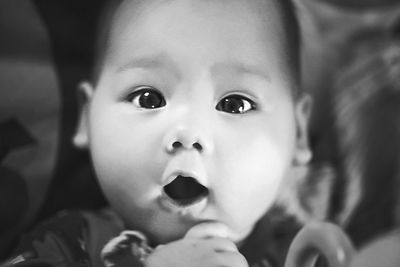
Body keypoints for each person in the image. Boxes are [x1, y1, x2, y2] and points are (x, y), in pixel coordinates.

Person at [2, 0, 313, 266]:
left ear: (299, 132)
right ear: (87, 116)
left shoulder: (304, 248)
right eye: (148, 98)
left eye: (235, 104)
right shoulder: (71, 242)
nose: (188, 132)